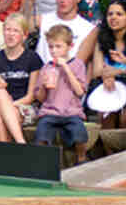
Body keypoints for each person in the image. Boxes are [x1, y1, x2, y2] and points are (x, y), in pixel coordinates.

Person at [33, 24, 90, 163]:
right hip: (50, 111)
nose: (53, 51)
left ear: (70, 46)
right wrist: (43, 87)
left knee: (80, 134)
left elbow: (80, 92)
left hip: (72, 112)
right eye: (51, 47)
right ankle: (41, 163)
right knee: (41, 135)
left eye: (58, 46)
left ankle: (82, 159)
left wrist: (65, 67)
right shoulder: (46, 67)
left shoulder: (77, 65)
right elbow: (40, 98)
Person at [80, 0, 126, 127]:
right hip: (105, 83)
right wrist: (108, 76)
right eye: (110, 14)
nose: (113, 17)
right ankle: (108, 146)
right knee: (106, 112)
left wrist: (117, 72)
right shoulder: (102, 40)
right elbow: (97, 71)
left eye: (119, 14)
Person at [0, 13, 42, 143]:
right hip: (3, 104)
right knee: (0, 94)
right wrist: (5, 106)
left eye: (15, 31)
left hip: (26, 107)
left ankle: (4, 158)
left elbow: (31, 96)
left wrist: (7, 107)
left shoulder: (32, 58)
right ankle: (20, 142)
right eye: (8, 30)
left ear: (24, 35)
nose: (10, 34)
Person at [36, 0, 96, 64]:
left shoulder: (89, 29)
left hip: (69, 74)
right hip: (42, 74)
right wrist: (30, 0)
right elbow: (23, 25)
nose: (62, 0)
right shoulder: (42, 19)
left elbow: (78, 64)